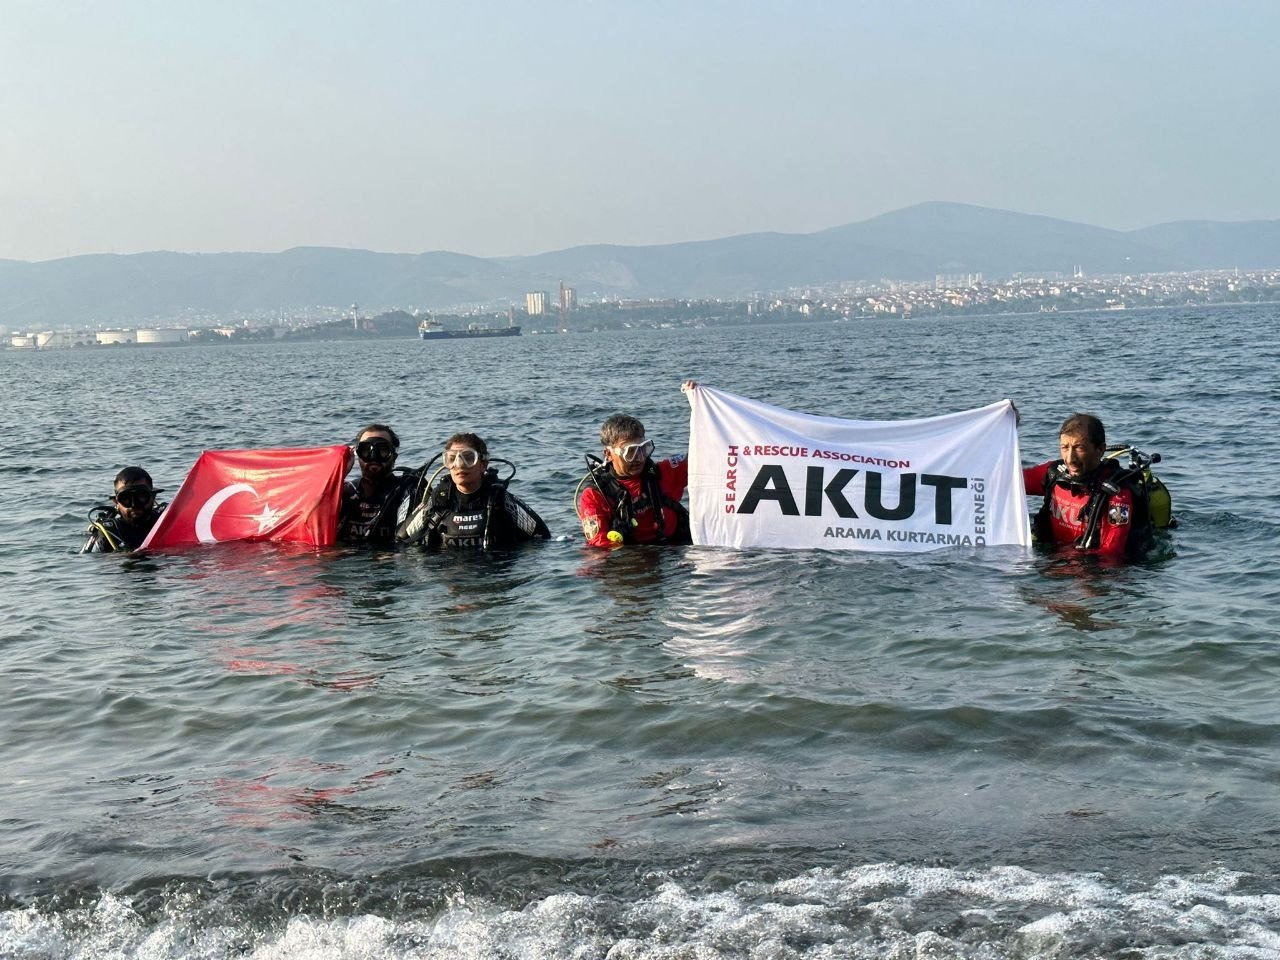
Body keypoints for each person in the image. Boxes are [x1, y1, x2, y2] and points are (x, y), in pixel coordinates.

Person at [1022, 412, 1155, 560]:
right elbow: (1006, 482)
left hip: (1091, 571)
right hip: (1057, 561)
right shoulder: (1054, 474)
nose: (1070, 458)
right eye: (1065, 447)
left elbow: (1111, 555)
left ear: (1100, 449)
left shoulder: (1117, 495)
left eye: (1079, 448)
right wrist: (1009, 424)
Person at [397, 433, 550, 549]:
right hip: (449, 578)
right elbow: (402, 539)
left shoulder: (499, 499)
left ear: (483, 464)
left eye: (468, 458)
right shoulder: (438, 501)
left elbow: (542, 537)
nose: (459, 465)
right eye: (452, 459)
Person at [577, 409, 691, 548]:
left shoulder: (662, 473)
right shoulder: (595, 495)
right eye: (630, 452)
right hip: (632, 558)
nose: (639, 458)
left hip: (676, 549)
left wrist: (698, 402)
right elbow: (599, 547)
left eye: (642, 449)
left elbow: (706, 456)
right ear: (608, 454)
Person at [338, 423, 417, 545]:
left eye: (382, 450)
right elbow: (310, 512)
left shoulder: (407, 491)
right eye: (365, 450)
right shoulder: (345, 492)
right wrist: (340, 473)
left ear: (394, 456)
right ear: (357, 455)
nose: (374, 457)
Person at [81, 466, 166, 553]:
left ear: (153, 496)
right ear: (116, 501)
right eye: (126, 498)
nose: (134, 504)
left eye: (141, 496)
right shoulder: (109, 533)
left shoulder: (168, 520)